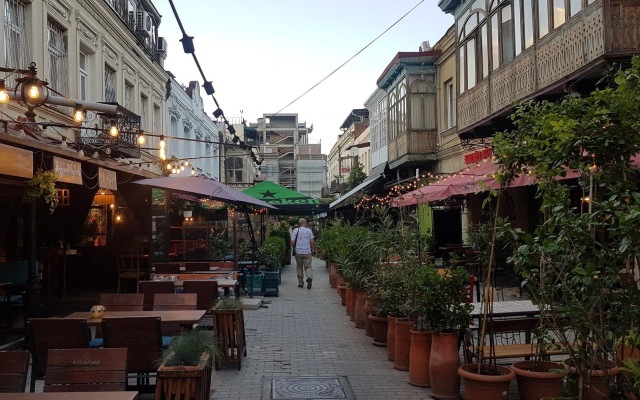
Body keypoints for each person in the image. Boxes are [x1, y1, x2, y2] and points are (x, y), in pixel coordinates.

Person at [291, 218, 315, 289]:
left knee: (299, 267)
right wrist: (313, 249)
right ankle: (309, 278)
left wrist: (294, 248)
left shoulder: (296, 230)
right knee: (308, 266)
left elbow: (292, 242)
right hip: (307, 252)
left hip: (298, 252)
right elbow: (312, 242)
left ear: (299, 223)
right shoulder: (309, 230)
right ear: (305, 223)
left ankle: (301, 283)